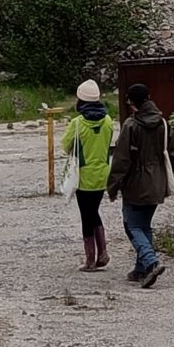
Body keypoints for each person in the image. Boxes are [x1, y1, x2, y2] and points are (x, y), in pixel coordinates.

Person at [107, 82, 174, 287]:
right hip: (157, 182)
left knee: (132, 225)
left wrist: (113, 185)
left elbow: (122, 160)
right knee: (144, 225)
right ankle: (140, 270)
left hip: (136, 182)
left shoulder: (131, 125)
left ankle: (151, 262)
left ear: (132, 103)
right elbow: (172, 152)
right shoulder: (163, 123)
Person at [62, 80, 116, 271]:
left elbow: (65, 146)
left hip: (84, 176)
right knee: (93, 211)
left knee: (87, 215)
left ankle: (91, 260)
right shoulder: (108, 121)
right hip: (103, 174)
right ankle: (102, 253)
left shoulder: (77, 123)